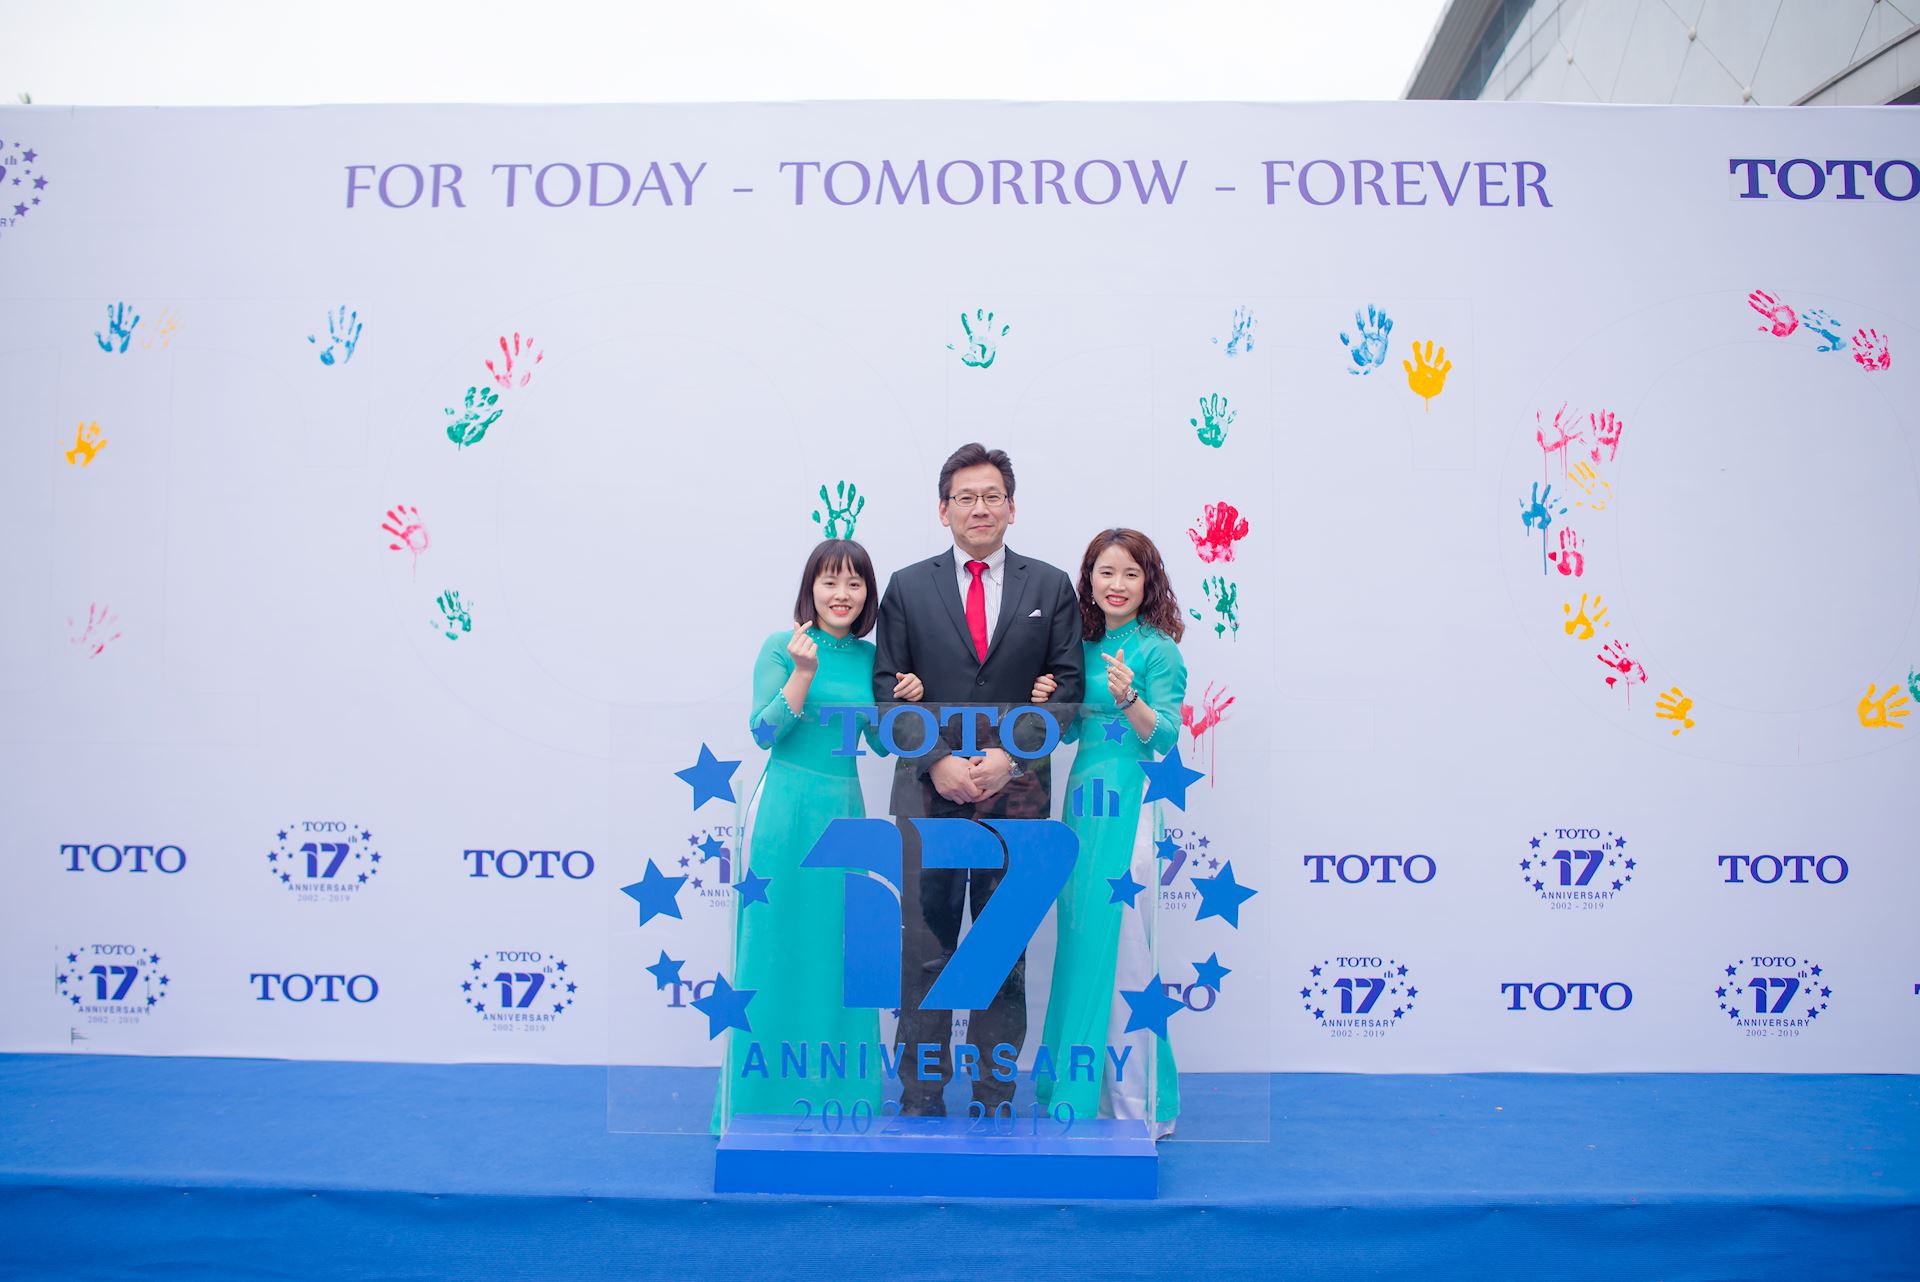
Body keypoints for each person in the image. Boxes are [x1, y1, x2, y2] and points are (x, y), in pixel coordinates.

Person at [870, 443, 1085, 1117]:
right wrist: (937, 759)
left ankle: (994, 1095)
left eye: (992, 496)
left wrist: (1009, 758)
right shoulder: (907, 587)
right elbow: (886, 693)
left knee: (1001, 948)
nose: (980, 508)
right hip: (926, 792)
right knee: (924, 946)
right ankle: (920, 1095)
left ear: (1012, 507)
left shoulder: (1050, 587)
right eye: (966, 497)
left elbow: (1068, 691)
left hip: (1015, 796)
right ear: (944, 510)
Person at [720, 539, 917, 1125]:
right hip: (785, 810)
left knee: (839, 949)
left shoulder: (871, 658)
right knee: (774, 942)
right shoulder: (781, 648)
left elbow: (882, 744)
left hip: (845, 811)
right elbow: (764, 731)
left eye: (855, 583)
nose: (841, 594)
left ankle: (841, 1095)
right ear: (811, 588)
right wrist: (803, 674)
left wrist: (907, 700)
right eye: (830, 581)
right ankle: (759, 1101)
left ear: (868, 595)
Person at [1032, 528, 1187, 1135]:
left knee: (1123, 947)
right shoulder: (1081, 646)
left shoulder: (1158, 650)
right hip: (1082, 801)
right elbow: (1070, 733)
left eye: (1130, 573)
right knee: (1081, 941)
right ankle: (1084, 1092)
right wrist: (1048, 698)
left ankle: (1136, 1104)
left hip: (1130, 802)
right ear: (1089, 581)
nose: (1117, 585)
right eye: (1105, 572)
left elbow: (1164, 735)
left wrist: (1129, 701)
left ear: (1148, 582)